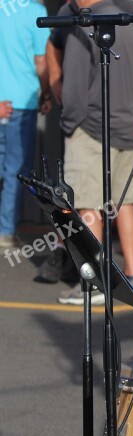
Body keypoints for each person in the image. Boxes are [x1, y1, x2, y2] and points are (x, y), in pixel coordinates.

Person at [47, 0, 133, 305]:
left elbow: (73, 85)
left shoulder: (80, 21)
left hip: (89, 127)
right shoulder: (132, 16)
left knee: (88, 205)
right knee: (124, 203)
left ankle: (99, 284)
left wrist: (68, 113)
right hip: (128, 126)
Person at [0, 0, 51, 249]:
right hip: (21, 102)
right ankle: (5, 232)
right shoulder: (35, 12)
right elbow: (42, 62)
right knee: (14, 170)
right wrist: (46, 93)